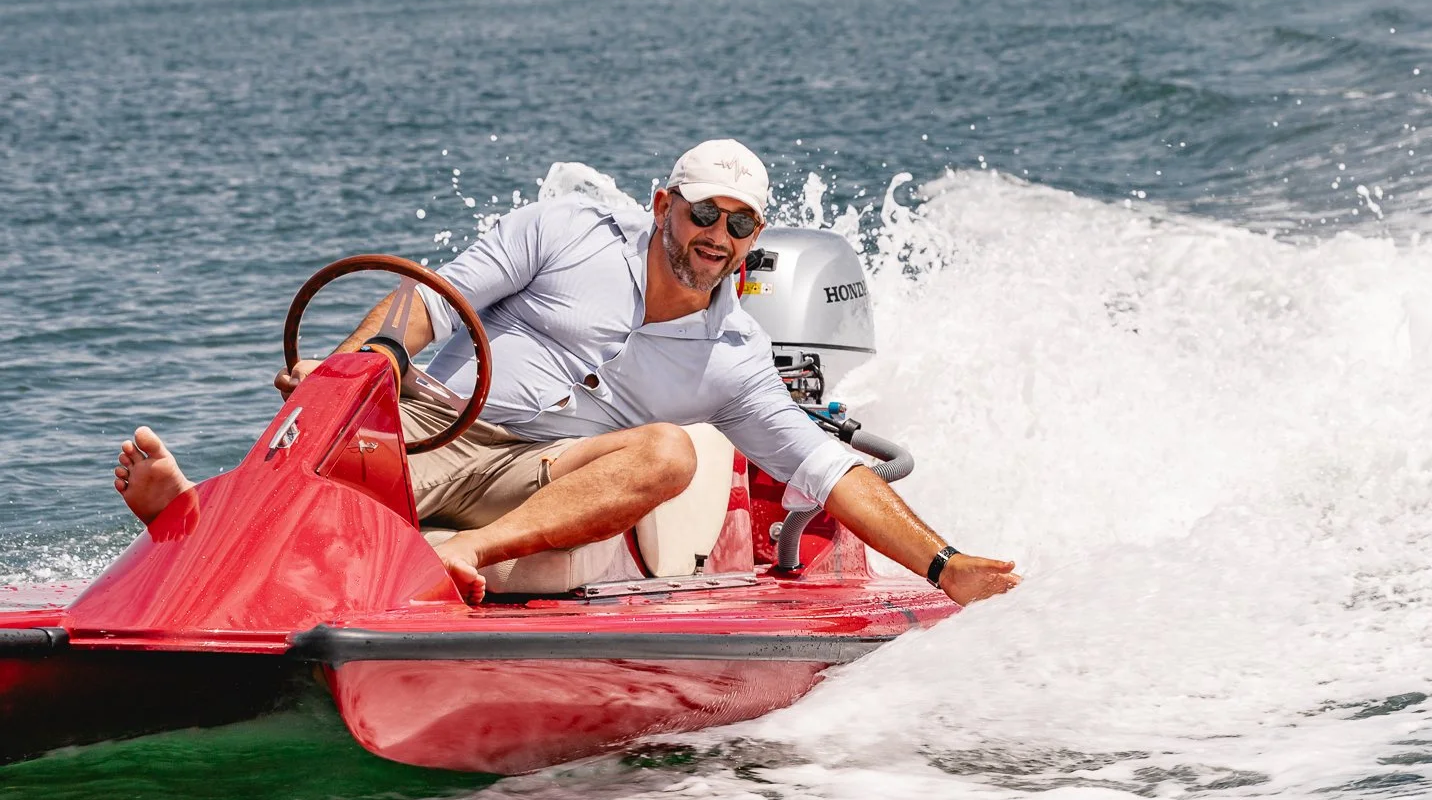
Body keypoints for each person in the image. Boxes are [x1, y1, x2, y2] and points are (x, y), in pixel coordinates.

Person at [113, 139, 1019, 607]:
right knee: (349, 412)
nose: (719, 237)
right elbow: (429, 302)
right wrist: (365, 364)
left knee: (671, 451)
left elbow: (828, 470)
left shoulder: (737, 356)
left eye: (742, 226)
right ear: (665, 204)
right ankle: (199, 517)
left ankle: (465, 554)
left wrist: (943, 564)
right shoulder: (562, 229)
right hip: (443, 417)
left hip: (538, 475)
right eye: (706, 212)